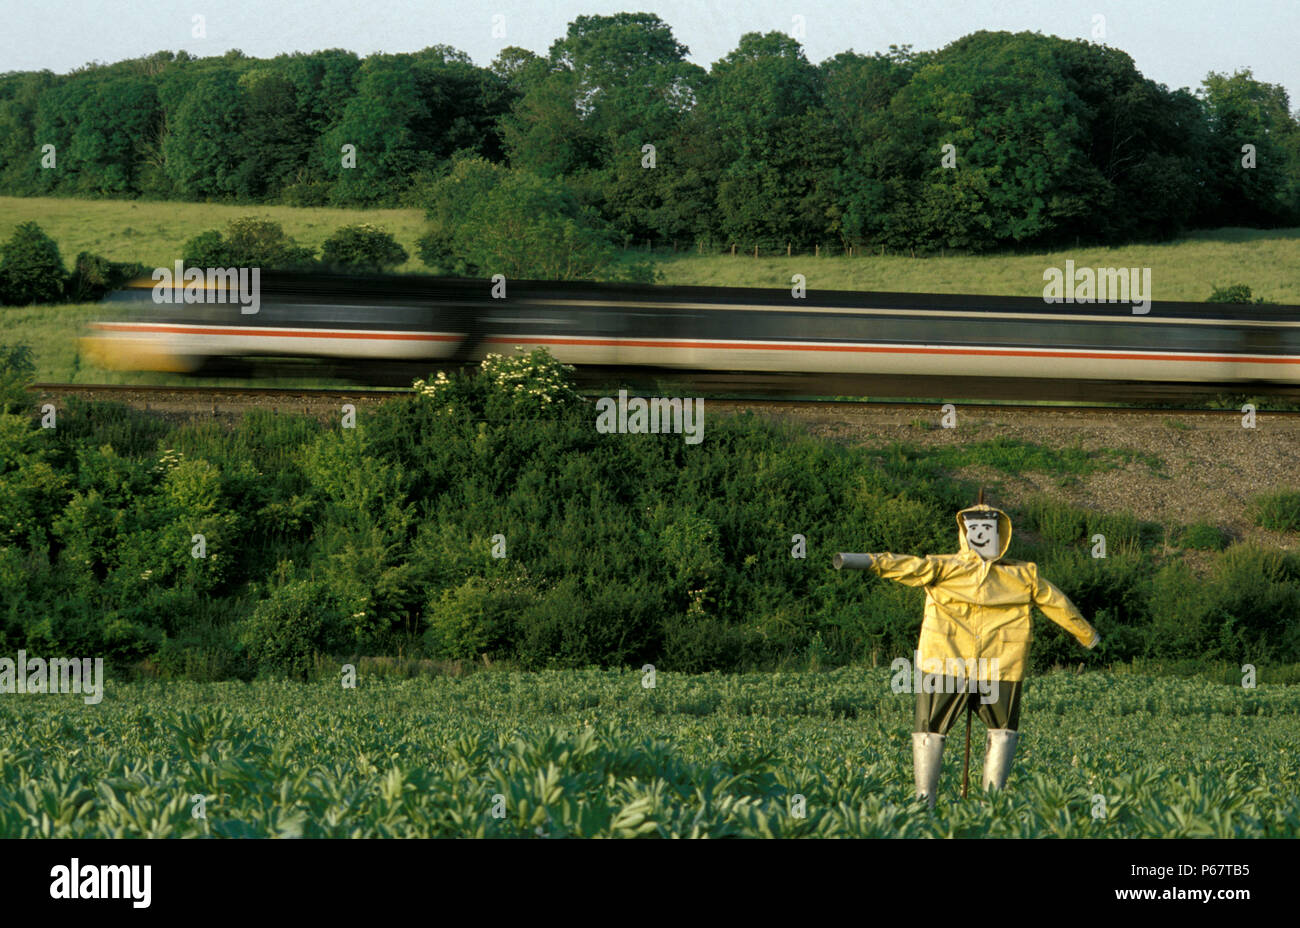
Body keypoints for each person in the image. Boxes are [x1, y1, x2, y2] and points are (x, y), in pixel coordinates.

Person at [834, 504, 1100, 806]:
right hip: (949, 660)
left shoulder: (1022, 575)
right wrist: (866, 561)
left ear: (1000, 534)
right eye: (975, 529)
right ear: (965, 533)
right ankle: (926, 803)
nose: (981, 535)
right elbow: (904, 565)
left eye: (987, 529)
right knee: (931, 731)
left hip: (999, 663)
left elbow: (1056, 603)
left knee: (1001, 732)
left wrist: (1085, 633)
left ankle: (992, 807)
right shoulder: (944, 568)